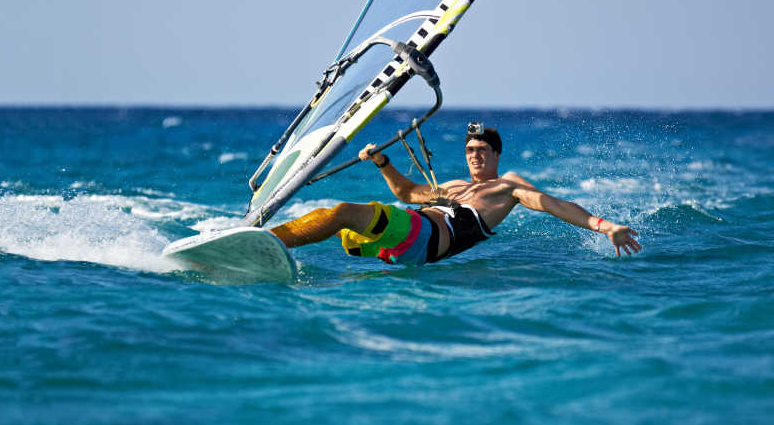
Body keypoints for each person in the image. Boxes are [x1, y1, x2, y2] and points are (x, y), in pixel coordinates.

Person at [271, 123, 641, 265]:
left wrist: (603, 226)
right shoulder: (451, 187)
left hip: (428, 237)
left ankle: (266, 241)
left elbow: (552, 204)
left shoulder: (507, 186)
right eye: (470, 150)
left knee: (343, 212)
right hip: (404, 247)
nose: (475, 155)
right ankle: (264, 250)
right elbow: (407, 192)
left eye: (482, 150)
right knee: (333, 226)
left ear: (496, 154)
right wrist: (383, 162)